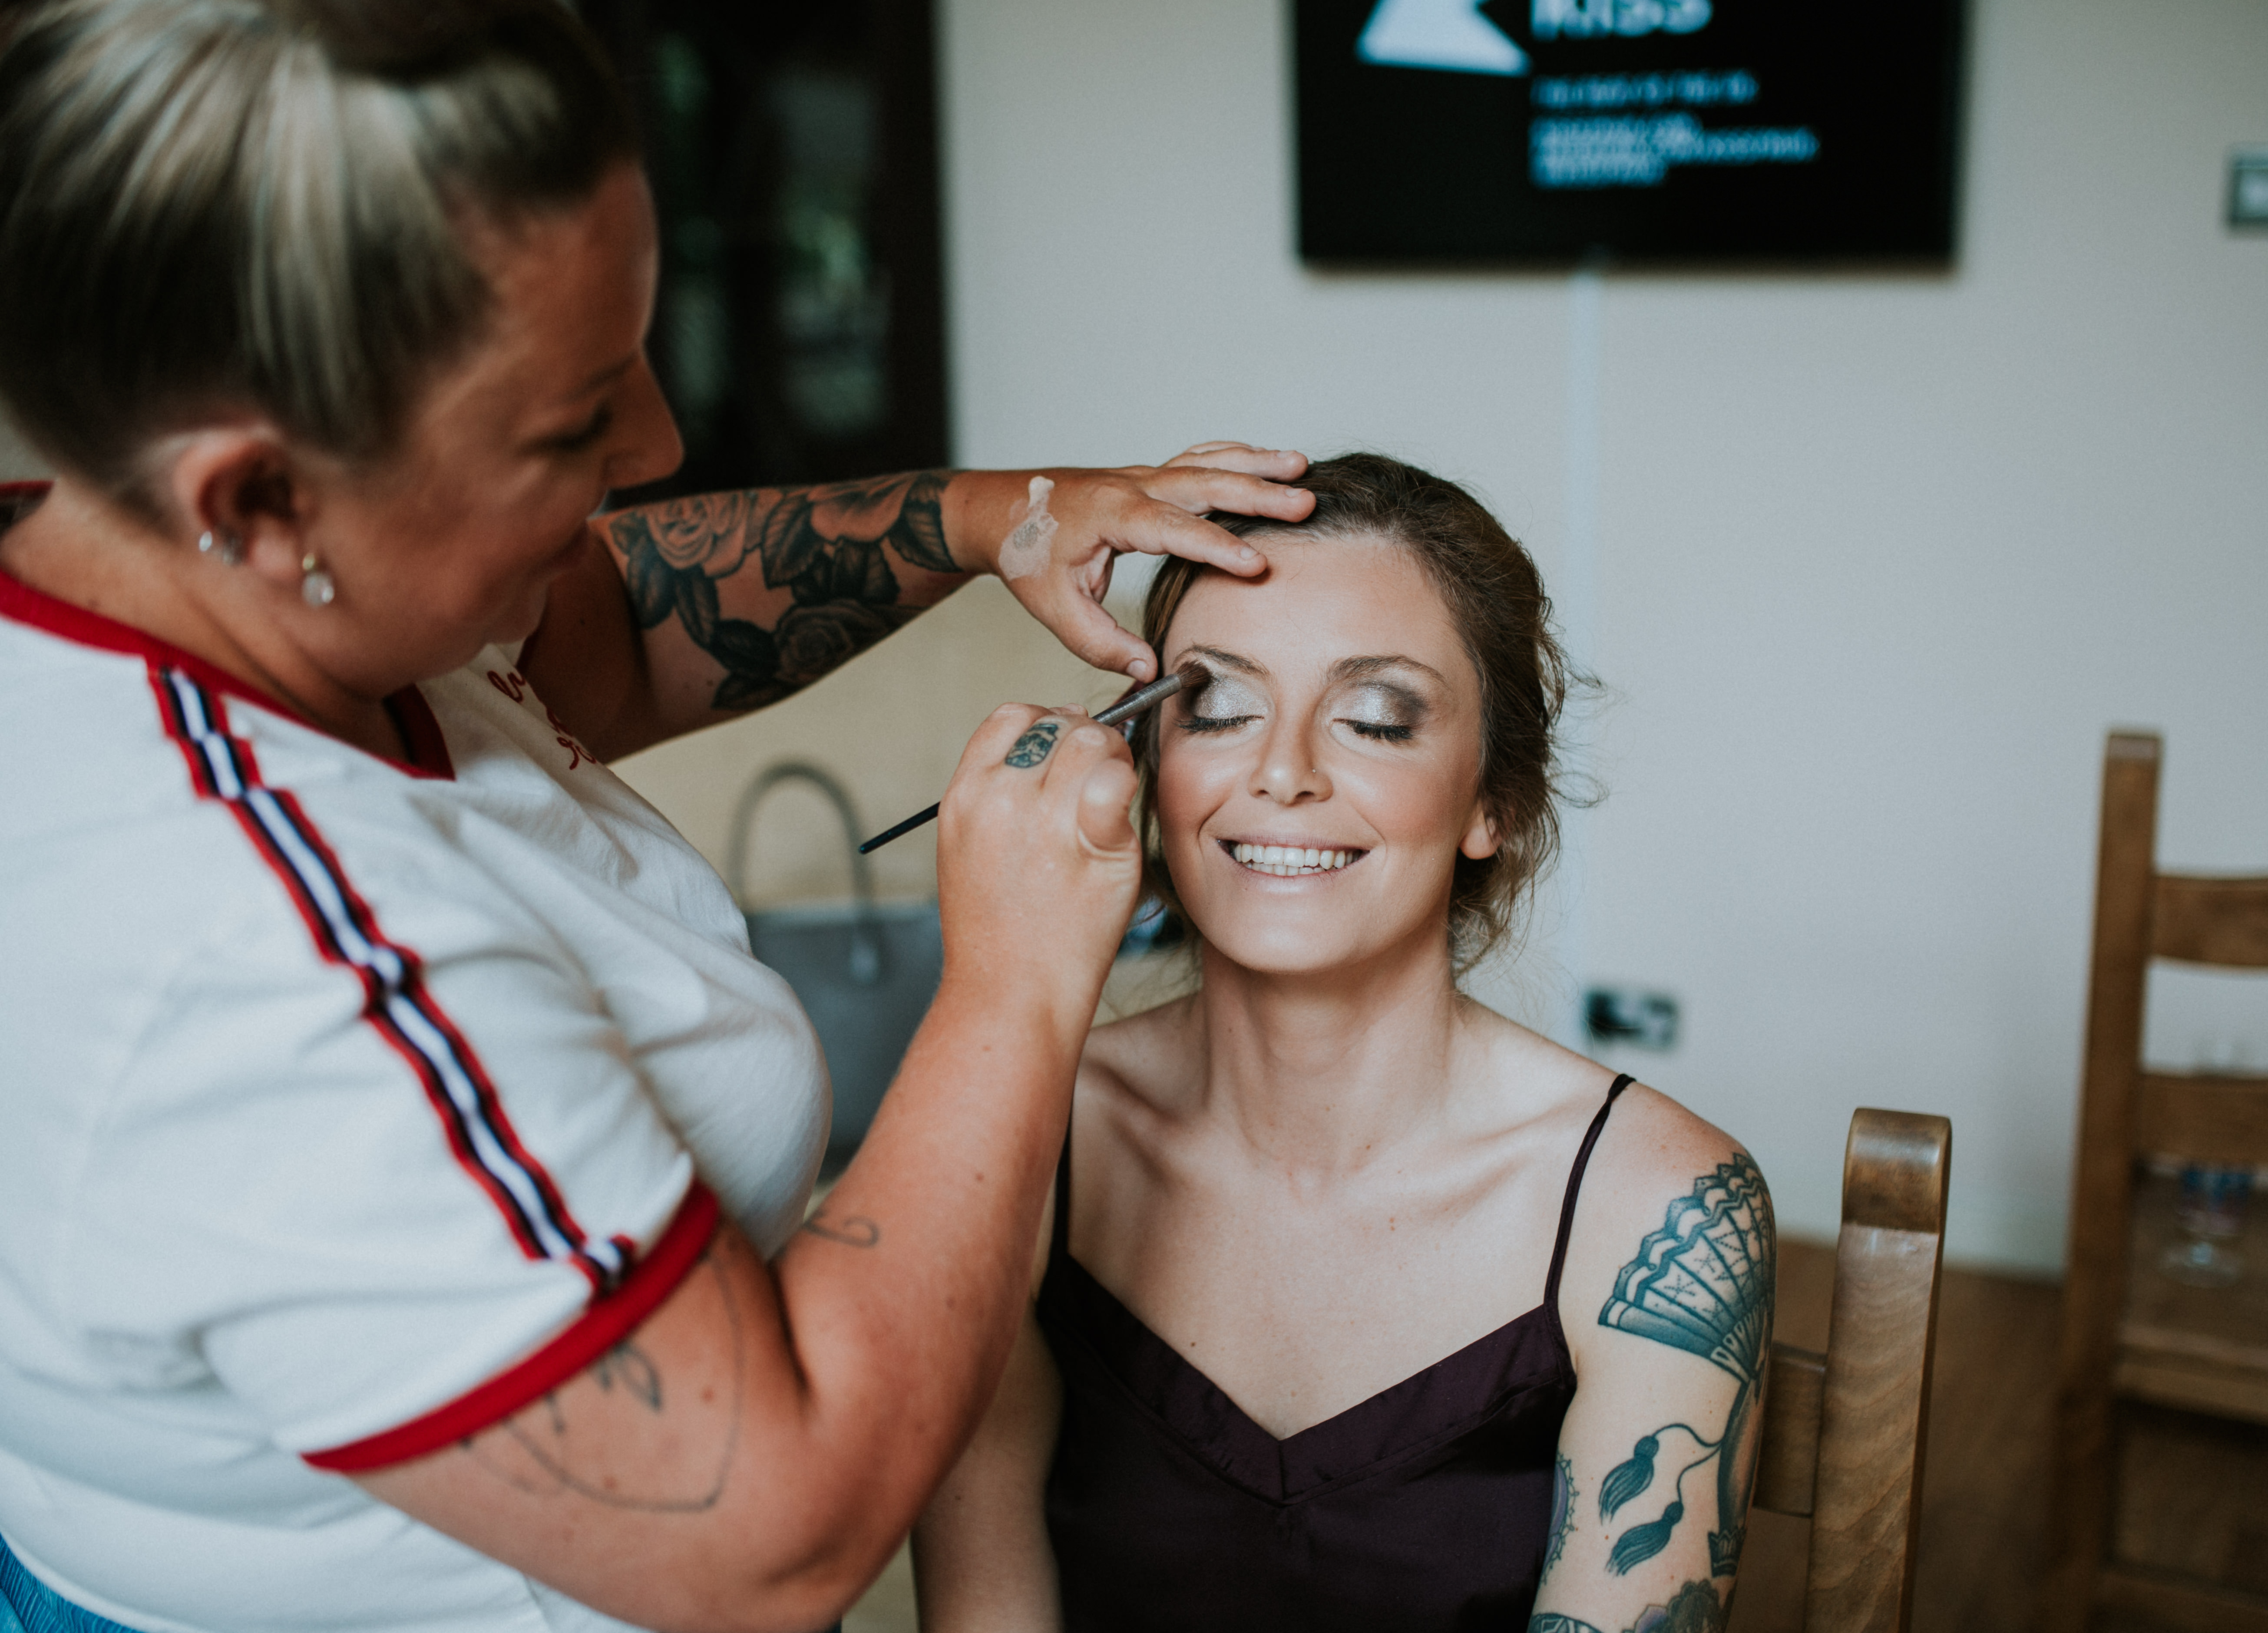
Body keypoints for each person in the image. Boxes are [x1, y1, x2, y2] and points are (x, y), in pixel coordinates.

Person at [0, 3, 1313, 1630]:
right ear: (263, 505)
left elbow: (600, 616)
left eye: (634, 350)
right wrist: (1015, 982)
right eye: (570, 425)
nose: (658, 444)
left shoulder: (169, 568)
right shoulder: (251, 965)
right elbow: (772, 1529)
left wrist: (990, 519)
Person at [910, 455, 1775, 1633]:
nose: (1282, 772)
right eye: (1214, 704)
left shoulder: (1657, 1209)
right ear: (1147, 757)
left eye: (1374, 718)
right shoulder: (1017, 1139)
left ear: (1493, 802)